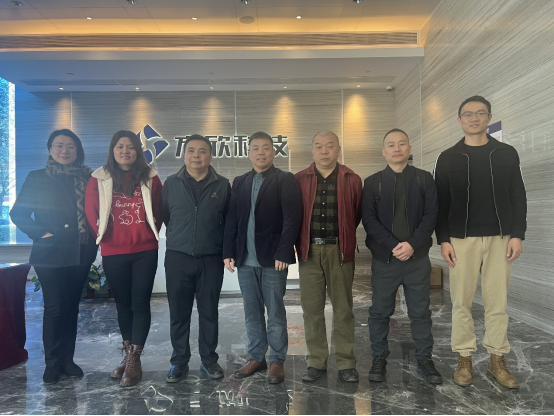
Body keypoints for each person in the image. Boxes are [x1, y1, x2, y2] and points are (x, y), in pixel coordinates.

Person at [434, 96, 527, 389]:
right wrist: (443, 239)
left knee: (497, 301)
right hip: (461, 239)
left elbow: (518, 195)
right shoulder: (448, 157)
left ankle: (497, 359)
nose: (474, 118)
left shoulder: (506, 153)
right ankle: (464, 357)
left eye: (479, 113)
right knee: (461, 301)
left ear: (488, 117)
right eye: (467, 114)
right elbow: (440, 202)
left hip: (500, 237)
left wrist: (517, 234)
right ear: (459, 120)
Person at [10, 129, 98, 385]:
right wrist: (41, 232)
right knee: (55, 306)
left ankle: (68, 360)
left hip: (81, 251)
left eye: (70, 146)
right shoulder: (37, 177)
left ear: (78, 151)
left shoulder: (89, 178)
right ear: (50, 149)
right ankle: (52, 363)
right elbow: (18, 214)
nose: (64, 151)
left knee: (71, 306)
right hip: (49, 252)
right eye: (59, 145)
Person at [362, 129, 443, 385]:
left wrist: (412, 245)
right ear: (383, 151)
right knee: (379, 312)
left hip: (417, 259)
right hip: (385, 260)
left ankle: (425, 359)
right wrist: (395, 245)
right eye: (391, 145)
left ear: (409, 148)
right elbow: (369, 220)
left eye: (401, 144)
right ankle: (379, 358)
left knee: (420, 313)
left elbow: (431, 215)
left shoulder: (424, 179)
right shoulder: (372, 182)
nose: (396, 149)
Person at [85, 130, 163, 388]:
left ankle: (135, 358)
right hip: (113, 249)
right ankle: (129, 354)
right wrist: (102, 236)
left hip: (145, 250)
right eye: (120, 146)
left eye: (130, 147)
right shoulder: (99, 177)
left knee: (140, 304)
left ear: (138, 151)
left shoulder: (150, 177)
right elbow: (91, 212)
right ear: (113, 150)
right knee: (122, 305)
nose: (125, 151)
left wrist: (149, 233)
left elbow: (159, 209)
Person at [223, 131, 301, 384]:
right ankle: (257, 357)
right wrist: (228, 252)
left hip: (273, 259)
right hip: (245, 260)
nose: (260, 152)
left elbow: (292, 218)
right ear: (248, 153)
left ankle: (277, 359)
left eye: (265, 148)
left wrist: (284, 251)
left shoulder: (285, 179)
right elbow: (232, 219)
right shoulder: (240, 182)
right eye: (255, 148)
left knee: (275, 311)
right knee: (251, 311)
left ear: (273, 152)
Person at [162, 135, 231, 383]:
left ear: (210, 156)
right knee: (178, 312)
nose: (196, 156)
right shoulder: (171, 183)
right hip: (178, 257)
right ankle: (179, 361)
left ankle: (209, 360)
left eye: (202, 151)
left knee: (209, 311)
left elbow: (228, 221)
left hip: (211, 258)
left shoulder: (223, 185)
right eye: (191, 150)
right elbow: (166, 215)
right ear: (184, 155)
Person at [294, 131, 363, 383]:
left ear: (338, 150)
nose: (324, 151)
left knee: (343, 309)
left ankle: (346, 363)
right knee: (311, 309)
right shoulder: (299, 179)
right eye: (319, 146)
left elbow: (355, 214)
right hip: (309, 251)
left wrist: (344, 239)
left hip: (339, 250)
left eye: (330, 146)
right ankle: (316, 361)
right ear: (312, 150)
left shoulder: (352, 179)